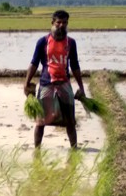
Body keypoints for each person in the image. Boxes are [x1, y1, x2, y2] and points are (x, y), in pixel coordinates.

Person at [24, 9, 85, 149]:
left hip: (64, 84)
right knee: (40, 122)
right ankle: (37, 151)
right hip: (46, 84)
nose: (61, 26)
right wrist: (26, 83)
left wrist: (81, 87)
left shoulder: (71, 43)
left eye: (64, 23)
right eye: (58, 22)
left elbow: (75, 66)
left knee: (70, 121)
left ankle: (74, 150)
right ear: (52, 23)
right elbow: (34, 63)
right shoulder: (43, 42)